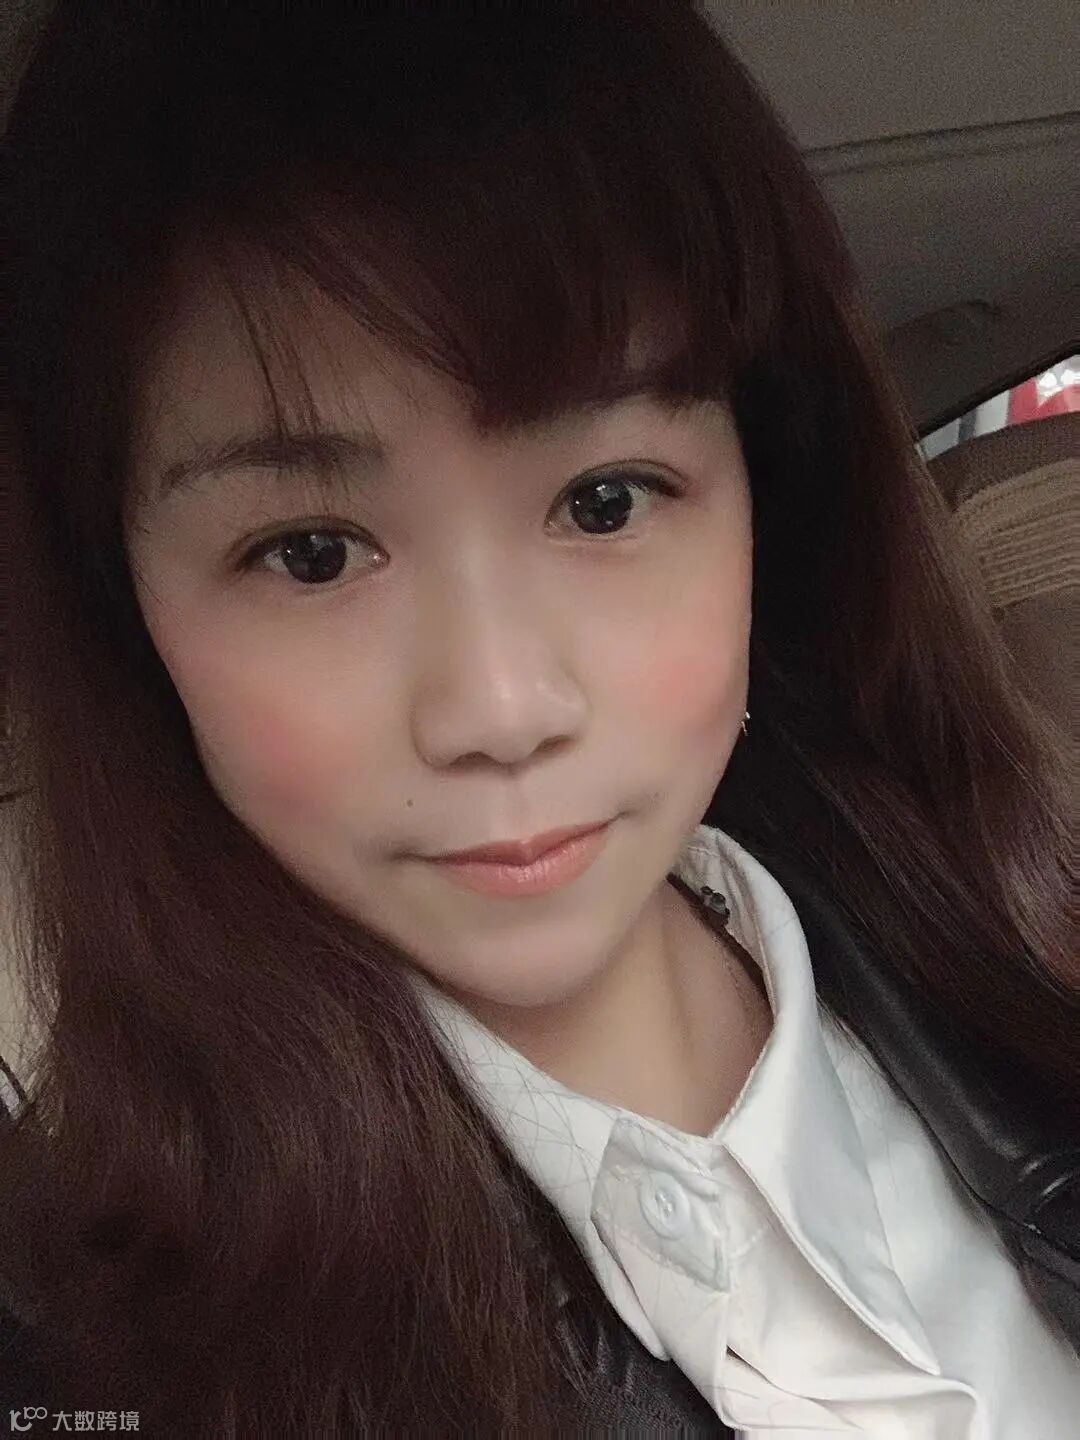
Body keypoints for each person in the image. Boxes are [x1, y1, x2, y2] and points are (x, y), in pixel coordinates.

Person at [1, 2, 1076, 1434]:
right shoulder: (98, 1353)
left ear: (771, 510)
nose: (501, 710)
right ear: (127, 616)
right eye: (310, 553)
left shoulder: (1030, 949)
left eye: (605, 500)